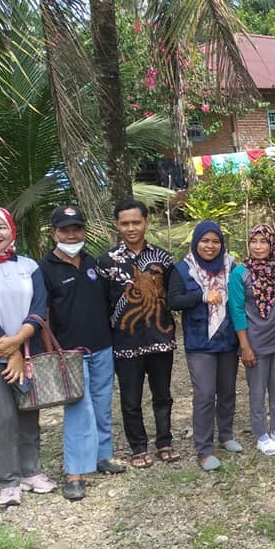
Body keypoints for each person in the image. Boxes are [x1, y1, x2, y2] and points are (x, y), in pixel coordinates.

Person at [40, 206, 125, 502]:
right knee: (78, 410)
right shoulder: (45, 268)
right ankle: (75, 473)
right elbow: (43, 314)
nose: (71, 235)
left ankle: (102, 456)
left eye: (76, 229)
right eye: (65, 230)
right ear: (54, 233)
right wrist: (51, 353)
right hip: (69, 353)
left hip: (102, 346)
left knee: (102, 405)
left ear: (84, 231)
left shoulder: (93, 263)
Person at [0, 207, 54, 507]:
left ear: (12, 230)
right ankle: (8, 482)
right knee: (1, 417)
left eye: (2, 227)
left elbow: (39, 306)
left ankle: (30, 471)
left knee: (28, 413)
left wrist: (19, 344)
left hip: (27, 352)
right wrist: (10, 350)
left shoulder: (28, 266)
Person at [97, 199, 178, 469]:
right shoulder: (106, 262)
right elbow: (102, 304)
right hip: (125, 341)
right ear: (117, 225)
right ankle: (138, 447)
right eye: (125, 223)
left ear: (146, 223)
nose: (131, 228)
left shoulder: (164, 259)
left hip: (160, 338)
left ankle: (164, 442)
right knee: (131, 399)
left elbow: (172, 296)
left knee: (162, 395)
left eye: (136, 222)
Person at [169, 221, 241, 471]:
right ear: (196, 242)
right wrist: (201, 296)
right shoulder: (183, 269)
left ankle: (226, 434)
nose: (210, 246)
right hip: (200, 342)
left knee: (227, 390)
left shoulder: (231, 266)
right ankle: (204, 448)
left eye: (215, 241)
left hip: (228, 339)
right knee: (205, 394)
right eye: (205, 240)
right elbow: (173, 300)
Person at [229, 224, 275, 456]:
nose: (258, 247)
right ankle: (261, 434)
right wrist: (244, 346)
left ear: (272, 244)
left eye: (264, 242)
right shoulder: (240, 273)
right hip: (254, 341)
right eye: (254, 241)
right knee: (257, 389)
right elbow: (237, 311)